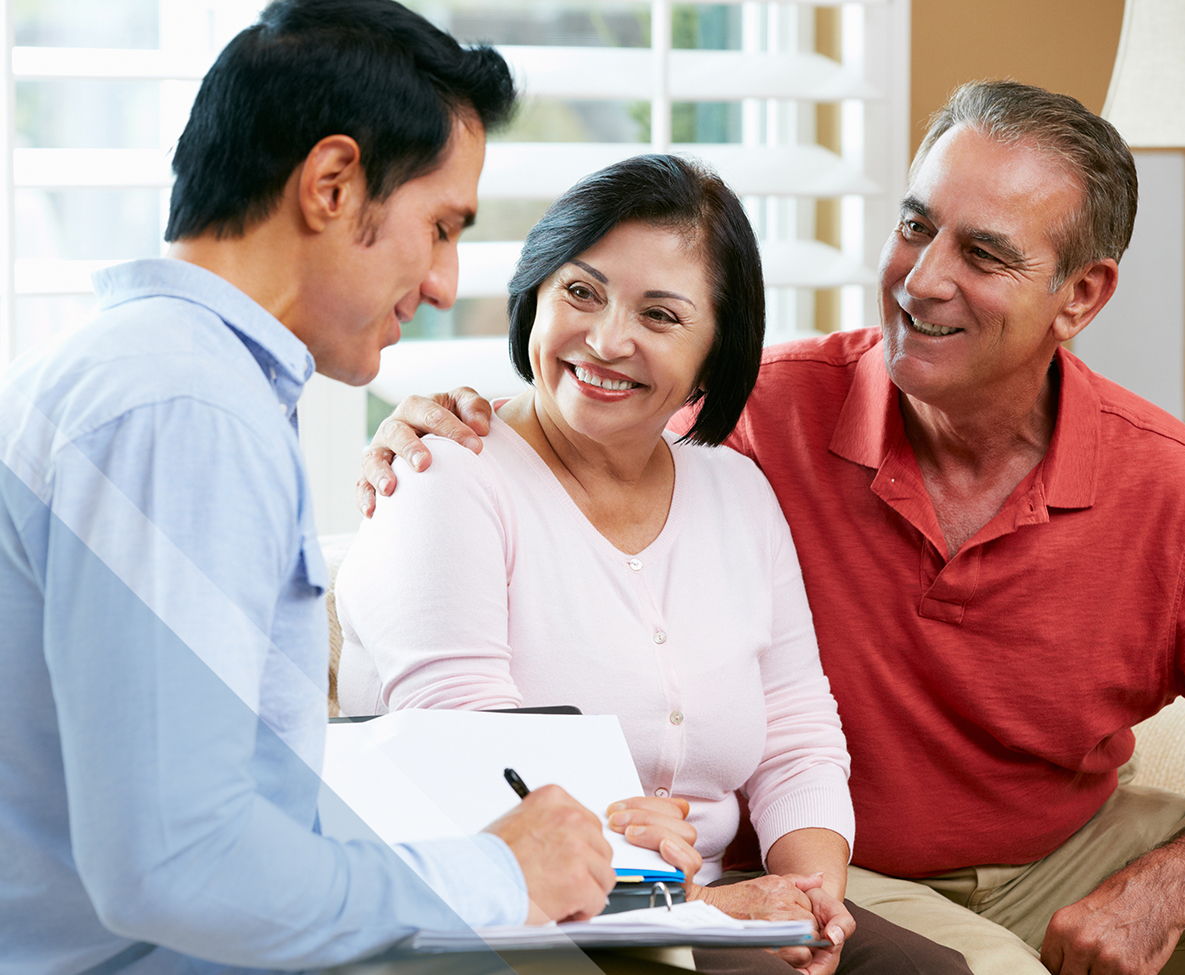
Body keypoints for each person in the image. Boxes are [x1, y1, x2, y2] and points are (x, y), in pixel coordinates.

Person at [358, 81, 1185, 975]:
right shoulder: (764, 414)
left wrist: (1166, 888)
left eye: (984, 254)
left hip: (1068, 848)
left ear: (1082, 296)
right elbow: (591, 416)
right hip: (855, 871)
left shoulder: (1171, 492)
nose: (922, 279)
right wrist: (426, 429)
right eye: (914, 225)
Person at [0, 2, 697, 971]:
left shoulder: (150, 377)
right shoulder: (182, 410)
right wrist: (499, 876)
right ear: (332, 184)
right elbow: (173, 866)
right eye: (440, 226)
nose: (449, 281)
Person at [334, 154, 974, 975]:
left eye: (661, 315)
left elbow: (796, 732)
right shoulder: (443, 474)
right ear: (534, 292)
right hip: (518, 918)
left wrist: (811, 893)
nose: (606, 339)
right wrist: (700, 909)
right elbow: (480, 774)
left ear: (713, 358)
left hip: (704, 903)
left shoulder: (736, 490)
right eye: (581, 291)